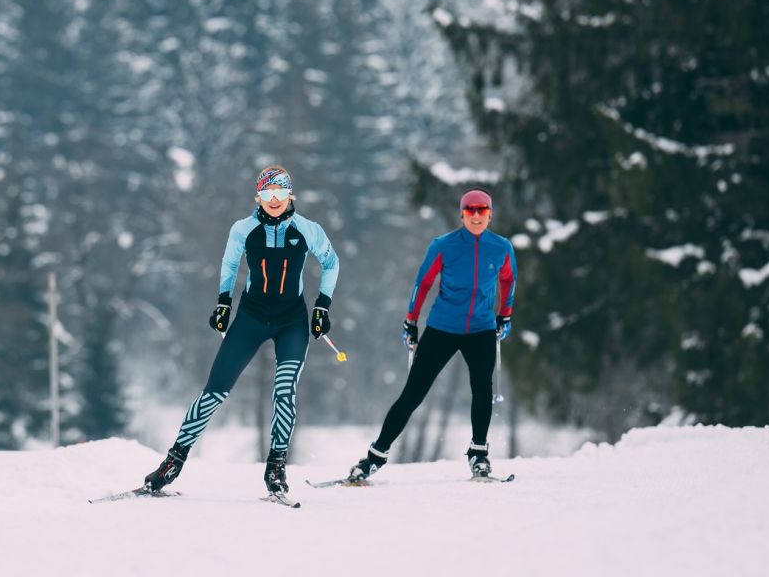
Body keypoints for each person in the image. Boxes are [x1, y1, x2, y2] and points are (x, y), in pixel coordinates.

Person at [140, 165, 340, 497]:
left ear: (290, 196)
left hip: (292, 321)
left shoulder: (308, 230)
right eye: (266, 195)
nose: (273, 201)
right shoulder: (243, 229)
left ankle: (276, 468)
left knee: (284, 391)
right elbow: (230, 264)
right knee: (214, 391)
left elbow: (331, 263)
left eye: (279, 194)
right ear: (257, 197)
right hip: (251, 317)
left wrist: (322, 306)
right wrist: (223, 303)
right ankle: (173, 462)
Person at [347, 187, 515, 481]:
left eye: (482, 211)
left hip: (481, 329)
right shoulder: (443, 245)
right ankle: (374, 457)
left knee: (482, 390)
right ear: (462, 215)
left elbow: (508, 280)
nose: (476, 216)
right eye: (470, 211)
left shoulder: (501, 248)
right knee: (413, 394)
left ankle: (479, 455)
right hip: (442, 328)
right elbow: (422, 283)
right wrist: (411, 321)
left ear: (490, 215)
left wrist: (505, 315)